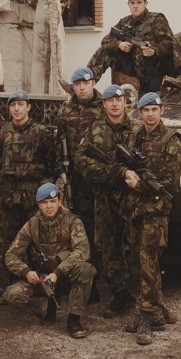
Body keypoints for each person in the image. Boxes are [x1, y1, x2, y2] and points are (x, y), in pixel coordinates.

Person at [118, 92, 181, 346]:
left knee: (148, 260)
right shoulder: (135, 135)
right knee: (137, 259)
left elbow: (171, 181)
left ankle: (146, 315)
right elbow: (124, 163)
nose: (150, 114)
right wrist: (127, 174)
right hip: (134, 209)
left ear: (162, 110)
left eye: (154, 109)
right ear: (140, 113)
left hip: (154, 210)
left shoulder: (172, 140)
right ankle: (156, 308)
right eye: (145, 110)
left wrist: (139, 184)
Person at [2, 182, 95, 339]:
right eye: (45, 202)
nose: (49, 206)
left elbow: (83, 250)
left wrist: (58, 272)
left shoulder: (72, 221)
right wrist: (26, 272)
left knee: (86, 269)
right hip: (43, 279)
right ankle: (44, 307)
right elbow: (10, 255)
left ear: (60, 201)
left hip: (66, 275)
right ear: (39, 205)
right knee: (12, 295)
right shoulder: (32, 224)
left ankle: (74, 319)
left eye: (53, 201)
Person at [73, 85, 136, 316]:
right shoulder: (95, 130)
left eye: (119, 99)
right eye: (110, 100)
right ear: (104, 105)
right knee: (110, 246)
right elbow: (80, 160)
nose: (115, 104)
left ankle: (139, 292)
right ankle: (119, 293)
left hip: (131, 197)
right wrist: (108, 173)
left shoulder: (137, 130)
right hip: (106, 197)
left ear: (125, 102)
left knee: (135, 244)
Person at [57, 67, 103, 299]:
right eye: (78, 84)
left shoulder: (106, 107)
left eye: (86, 83)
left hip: (103, 177)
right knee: (82, 229)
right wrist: (62, 172)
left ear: (93, 83)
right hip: (78, 180)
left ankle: (108, 280)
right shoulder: (66, 111)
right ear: (73, 87)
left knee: (105, 229)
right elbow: (59, 143)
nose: (82, 87)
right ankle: (88, 281)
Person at [0, 90, 59, 252]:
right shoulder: (3, 133)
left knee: (36, 241)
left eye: (21, 104)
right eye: (13, 105)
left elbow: (53, 166)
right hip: (9, 196)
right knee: (9, 242)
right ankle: (13, 276)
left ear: (28, 107)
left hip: (33, 196)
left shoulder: (42, 133)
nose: (17, 109)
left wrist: (44, 192)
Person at [85, 0, 174, 94]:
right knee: (104, 51)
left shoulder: (156, 19)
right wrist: (119, 45)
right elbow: (105, 40)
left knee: (140, 52)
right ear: (128, 4)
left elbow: (170, 43)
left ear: (145, 3)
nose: (135, 6)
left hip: (154, 67)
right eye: (132, 3)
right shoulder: (124, 22)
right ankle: (84, 84)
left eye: (139, 2)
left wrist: (154, 50)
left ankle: (145, 90)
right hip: (133, 65)